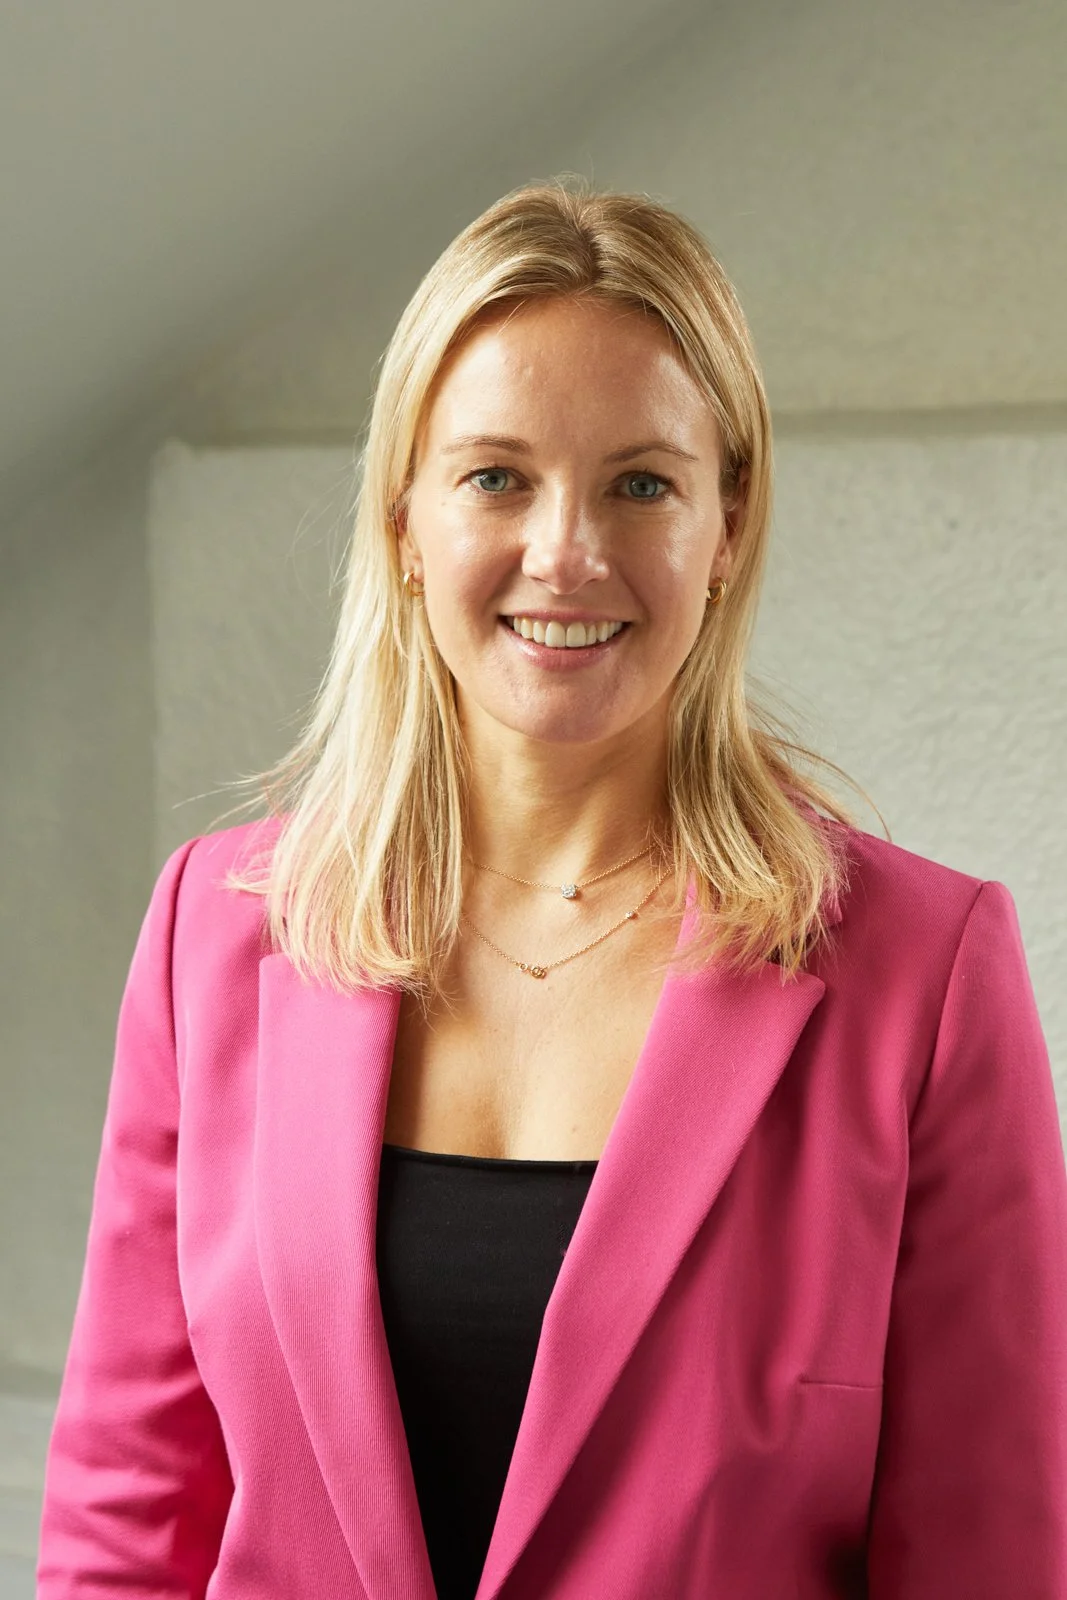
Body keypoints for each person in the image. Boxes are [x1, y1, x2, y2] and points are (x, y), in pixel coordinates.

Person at [37, 176, 1067, 1599]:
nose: (564, 552)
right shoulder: (211, 939)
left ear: (727, 523)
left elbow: (985, 1559)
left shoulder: (925, 977)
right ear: (404, 521)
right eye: (494, 476)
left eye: (640, 481)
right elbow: (127, 1529)